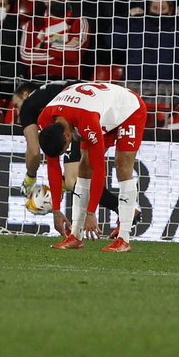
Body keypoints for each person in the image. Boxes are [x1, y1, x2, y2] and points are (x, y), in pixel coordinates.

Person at [37, 80, 148, 252]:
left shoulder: (86, 121)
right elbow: (53, 166)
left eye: (65, 148)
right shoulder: (44, 120)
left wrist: (91, 212)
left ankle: (124, 240)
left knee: (122, 166)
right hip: (99, 110)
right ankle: (76, 236)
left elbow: (100, 170)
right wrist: (56, 210)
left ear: (66, 135)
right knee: (84, 167)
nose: (67, 150)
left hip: (127, 109)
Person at [12, 78, 87, 239]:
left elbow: (34, 152)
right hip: (90, 100)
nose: (17, 113)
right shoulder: (47, 95)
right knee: (83, 171)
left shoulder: (28, 106)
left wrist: (29, 180)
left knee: (73, 180)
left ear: (25, 95)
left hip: (77, 110)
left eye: (16, 105)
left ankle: (118, 210)